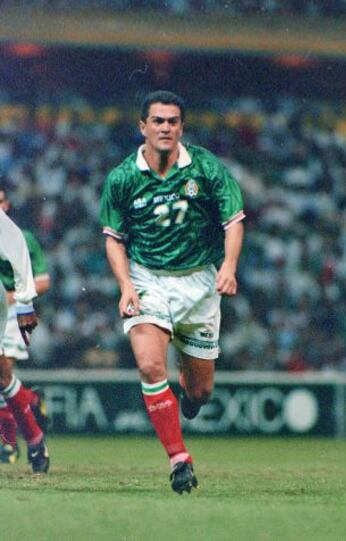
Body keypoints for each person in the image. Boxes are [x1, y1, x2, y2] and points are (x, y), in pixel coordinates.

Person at [100, 90, 245, 494]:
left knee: (200, 394)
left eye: (173, 121)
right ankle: (179, 459)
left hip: (200, 282)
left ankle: (188, 395)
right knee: (149, 366)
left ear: (181, 127)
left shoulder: (205, 167)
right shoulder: (123, 178)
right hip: (149, 279)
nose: (166, 127)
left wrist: (229, 266)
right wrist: (127, 284)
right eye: (158, 121)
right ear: (142, 126)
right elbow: (113, 239)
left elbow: (234, 220)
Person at [0, 186, 50, 466]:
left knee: (2, 376)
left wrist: (23, 304)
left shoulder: (12, 232)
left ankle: (26, 440)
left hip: (5, 306)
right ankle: (30, 400)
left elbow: (27, 267)